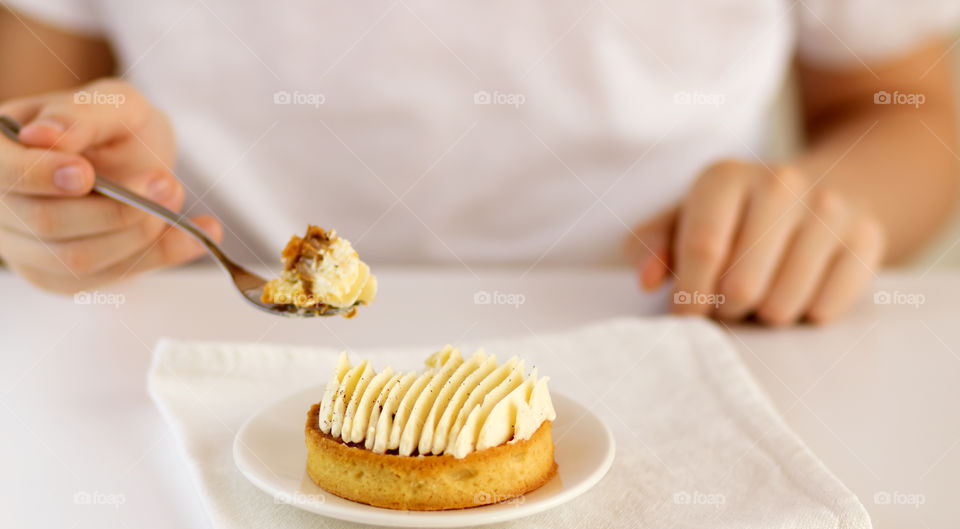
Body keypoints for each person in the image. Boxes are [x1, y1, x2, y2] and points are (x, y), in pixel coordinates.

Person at [1, 1, 958, 325]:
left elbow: (916, 109)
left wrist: (811, 214)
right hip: (194, 340)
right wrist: (60, 176)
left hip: (675, 332)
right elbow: (43, 96)